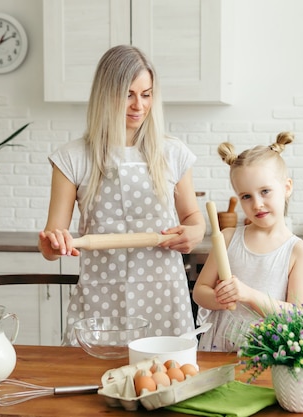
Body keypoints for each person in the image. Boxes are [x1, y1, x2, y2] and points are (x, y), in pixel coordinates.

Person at [38, 45, 206, 346]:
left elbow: (193, 218)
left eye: (146, 94)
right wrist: (52, 245)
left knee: (165, 381)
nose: (138, 105)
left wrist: (194, 232)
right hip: (101, 295)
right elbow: (54, 243)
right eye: (128, 94)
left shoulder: (173, 153)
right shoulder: (72, 158)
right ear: (106, 93)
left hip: (164, 294)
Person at [193, 132, 303, 352]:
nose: (257, 204)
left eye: (265, 191)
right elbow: (200, 291)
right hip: (218, 347)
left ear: (286, 188)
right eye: (246, 196)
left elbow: (299, 315)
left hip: (267, 353)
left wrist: (248, 295)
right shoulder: (228, 238)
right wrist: (221, 298)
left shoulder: (298, 251)